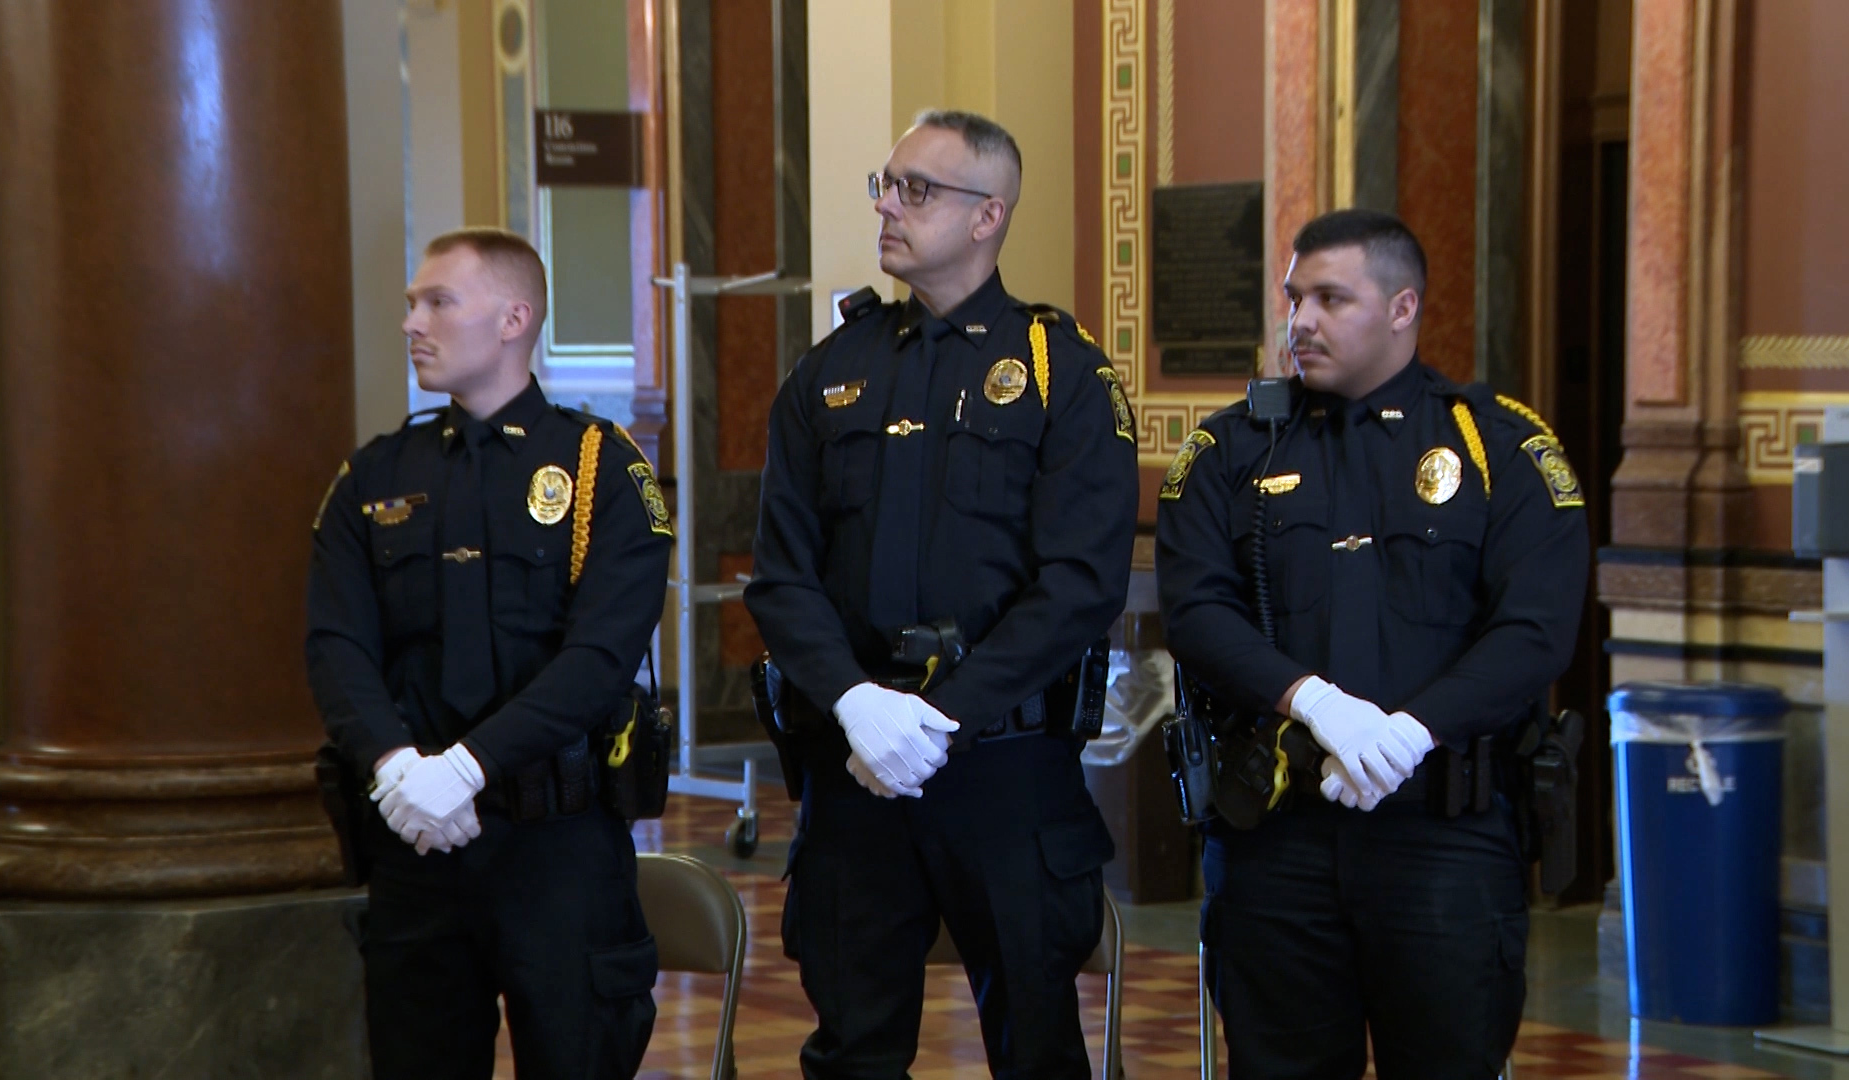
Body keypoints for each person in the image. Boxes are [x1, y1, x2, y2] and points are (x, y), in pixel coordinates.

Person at [744, 110, 1139, 1079]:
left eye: (917, 189)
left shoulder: (1062, 372)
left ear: (986, 215)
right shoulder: (829, 370)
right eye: (885, 183)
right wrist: (856, 703)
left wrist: (938, 719)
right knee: (851, 1044)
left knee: (1036, 1043)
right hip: (853, 760)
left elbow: (1082, 585)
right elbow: (780, 575)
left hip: (1001, 765)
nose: (888, 205)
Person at [1154, 209, 1589, 1079]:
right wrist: (1310, 701)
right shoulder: (1229, 448)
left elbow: (1536, 630)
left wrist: (1414, 729)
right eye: (1293, 297)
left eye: (1329, 298)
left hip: (1445, 835)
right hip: (1276, 834)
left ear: (1402, 308)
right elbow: (1197, 611)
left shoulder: (1497, 443)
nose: (1300, 321)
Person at [306, 228, 671, 1080]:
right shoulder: (374, 477)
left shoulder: (599, 470)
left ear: (514, 318)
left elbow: (598, 660)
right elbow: (336, 643)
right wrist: (399, 767)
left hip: (557, 845)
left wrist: (467, 768)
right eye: (410, 304)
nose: (412, 323)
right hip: (416, 845)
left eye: (438, 301)